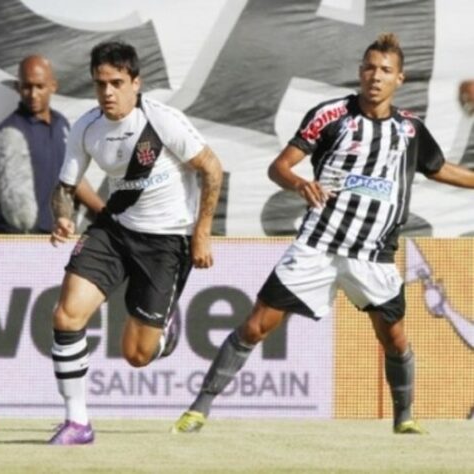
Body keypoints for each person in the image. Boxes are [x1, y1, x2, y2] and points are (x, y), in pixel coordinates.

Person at [171, 32, 474, 435]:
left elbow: (438, 168)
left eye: (385, 70)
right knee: (256, 325)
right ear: (359, 72)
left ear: (399, 79)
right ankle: (198, 410)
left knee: (395, 338)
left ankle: (404, 417)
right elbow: (279, 166)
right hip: (318, 246)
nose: (375, 76)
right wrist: (299, 184)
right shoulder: (331, 116)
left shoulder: (410, 130)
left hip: (373, 255)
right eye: (369, 68)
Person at [47, 41, 223, 445]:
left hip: (165, 241)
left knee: (137, 355)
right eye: (100, 84)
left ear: (136, 83)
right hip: (114, 230)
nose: (107, 92)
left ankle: (164, 330)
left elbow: (211, 168)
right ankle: (77, 423)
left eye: (116, 83)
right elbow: (66, 187)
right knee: (66, 315)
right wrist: (62, 216)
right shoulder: (86, 127)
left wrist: (202, 231)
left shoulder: (162, 121)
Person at [0, 55, 103, 233]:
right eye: (27, 87)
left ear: (53, 86)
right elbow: (15, 209)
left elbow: (72, 177)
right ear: (18, 88)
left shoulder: (62, 124)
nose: (33, 94)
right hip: (19, 242)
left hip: (55, 237)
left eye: (40, 86)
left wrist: (105, 214)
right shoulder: (10, 133)